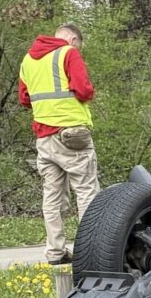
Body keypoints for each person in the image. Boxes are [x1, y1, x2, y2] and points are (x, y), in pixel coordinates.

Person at [18, 23, 100, 265]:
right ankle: (90, 251)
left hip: (44, 138)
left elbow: (24, 99)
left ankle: (55, 252)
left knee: (52, 196)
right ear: (73, 39)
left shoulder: (27, 60)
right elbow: (83, 90)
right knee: (86, 191)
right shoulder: (68, 53)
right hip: (72, 133)